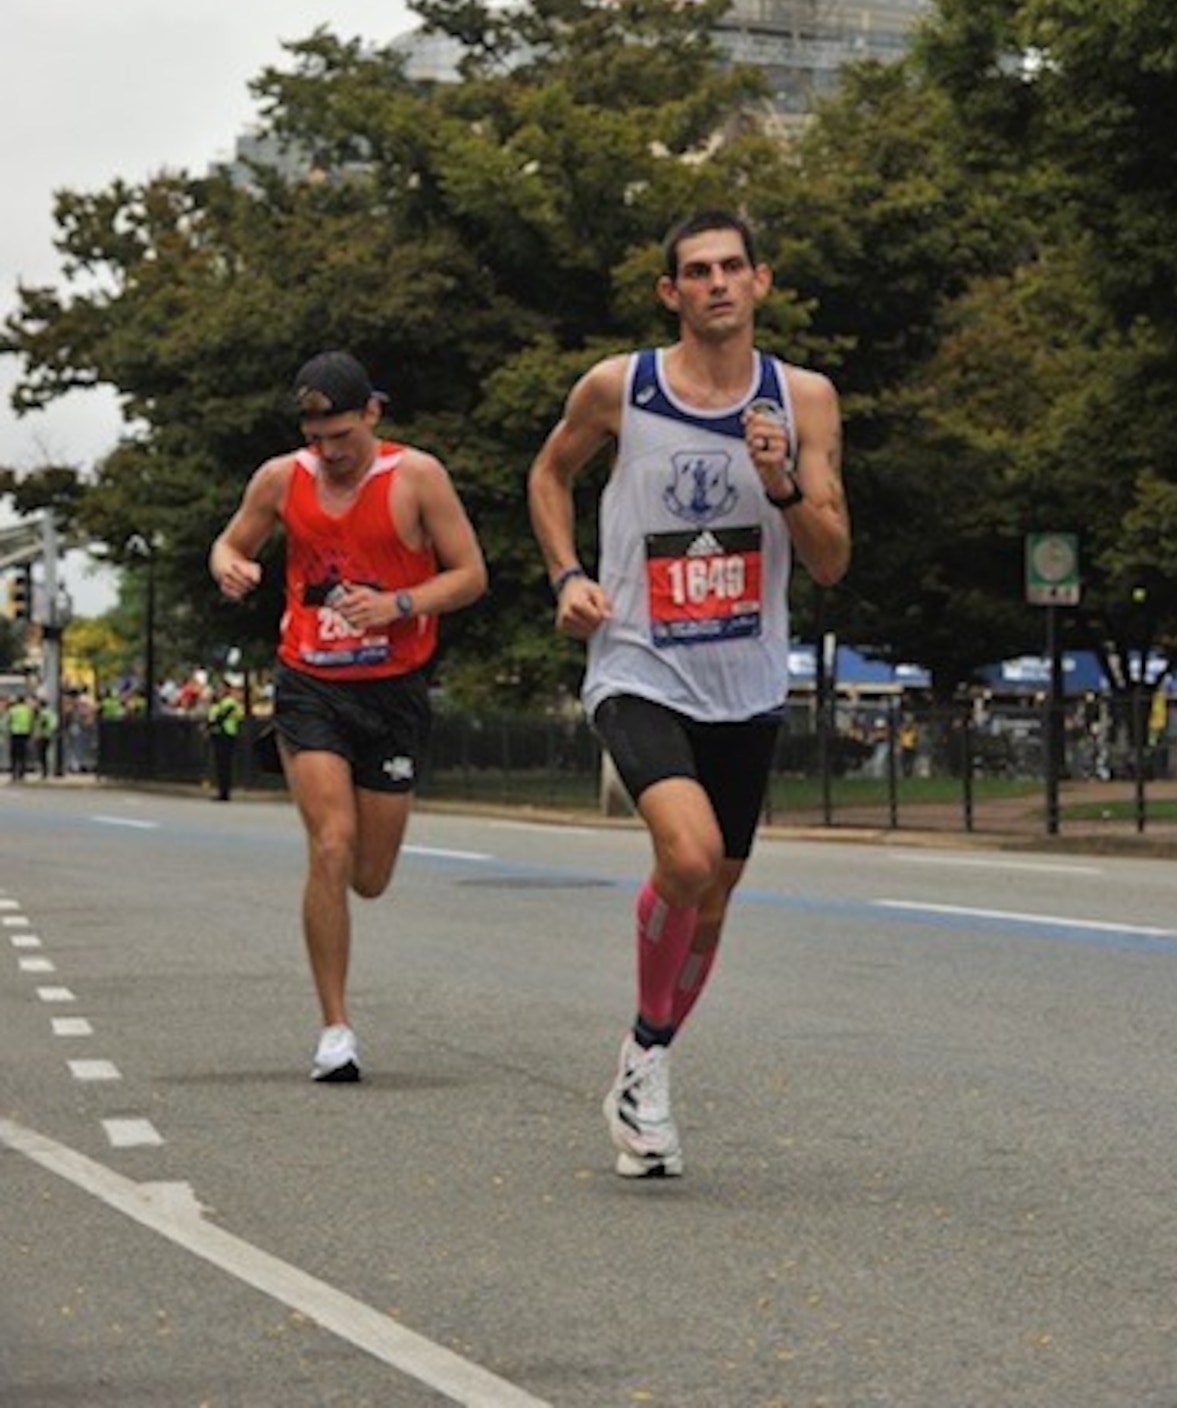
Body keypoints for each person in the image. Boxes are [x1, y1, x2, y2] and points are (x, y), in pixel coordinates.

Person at [528, 209, 850, 1177]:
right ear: (669, 291)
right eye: (694, 271)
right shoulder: (618, 387)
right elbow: (547, 472)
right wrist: (564, 575)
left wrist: (781, 480)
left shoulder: (802, 398)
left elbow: (830, 559)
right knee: (688, 850)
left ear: (761, 281)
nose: (714, 282)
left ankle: (644, 1056)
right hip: (638, 662)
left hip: (744, 679)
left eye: (730, 267)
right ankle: (650, 1061)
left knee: (713, 897)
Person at [209, 350, 487, 1082]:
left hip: (392, 690)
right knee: (330, 845)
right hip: (311, 683)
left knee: (369, 875)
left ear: (372, 413)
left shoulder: (416, 478)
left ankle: (338, 1007)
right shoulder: (280, 479)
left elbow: (469, 575)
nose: (329, 452)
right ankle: (335, 1028)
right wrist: (228, 566)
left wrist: (399, 603)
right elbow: (231, 542)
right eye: (315, 437)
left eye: (341, 435)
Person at [206, 679, 244, 801]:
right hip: (219, 735)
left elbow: (222, 717)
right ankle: (222, 790)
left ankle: (224, 792)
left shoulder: (230, 702)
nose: (218, 691)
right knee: (220, 765)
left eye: (221, 688)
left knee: (224, 765)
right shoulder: (219, 703)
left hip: (226, 734)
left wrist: (211, 725)